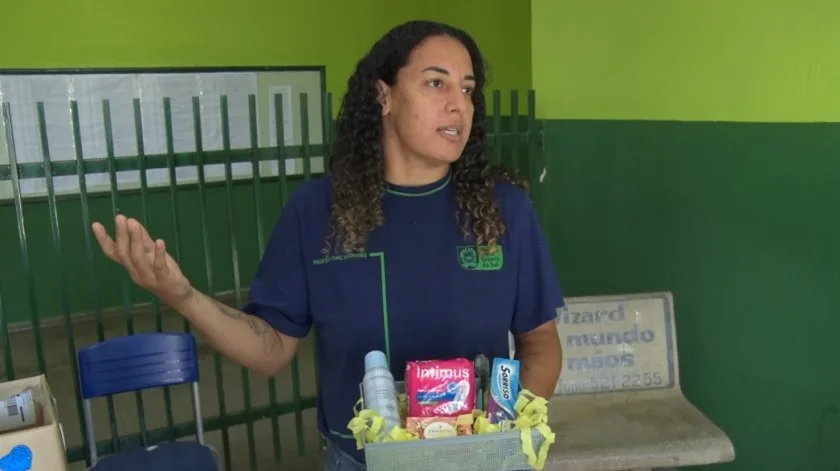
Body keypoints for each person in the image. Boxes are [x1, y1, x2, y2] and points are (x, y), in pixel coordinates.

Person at [91, 20, 564, 471]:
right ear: (384, 96)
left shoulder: (503, 210)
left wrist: (503, 434)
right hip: (356, 460)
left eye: (467, 88)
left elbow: (539, 341)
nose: (460, 105)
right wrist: (183, 296)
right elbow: (271, 347)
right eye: (436, 83)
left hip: (477, 460)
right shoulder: (316, 210)